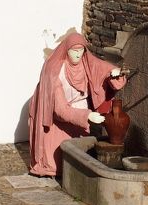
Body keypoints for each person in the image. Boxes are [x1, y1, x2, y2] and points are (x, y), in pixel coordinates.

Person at [28, 32, 126, 177]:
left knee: (79, 157)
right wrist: (88, 115)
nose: (78, 54)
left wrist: (115, 73)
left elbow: (102, 69)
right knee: (56, 163)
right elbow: (60, 110)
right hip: (56, 118)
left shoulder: (86, 62)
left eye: (81, 50)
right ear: (66, 50)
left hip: (79, 114)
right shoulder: (54, 72)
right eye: (74, 51)